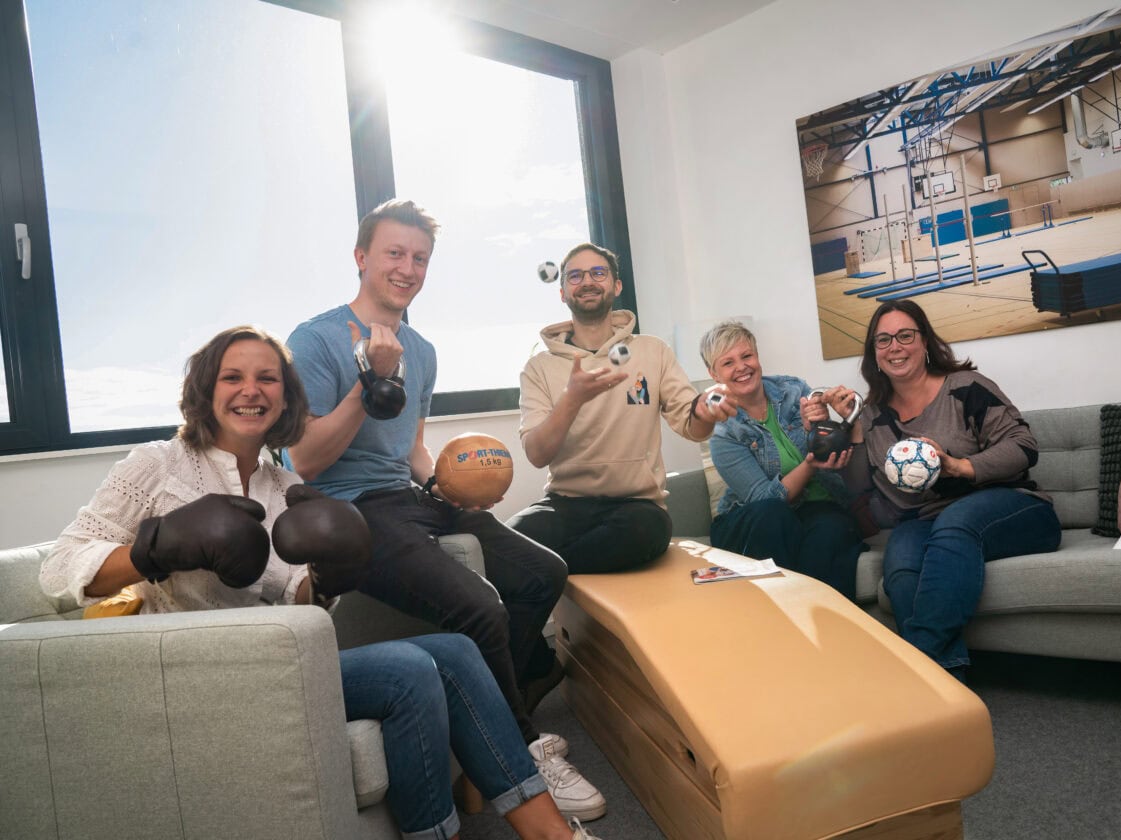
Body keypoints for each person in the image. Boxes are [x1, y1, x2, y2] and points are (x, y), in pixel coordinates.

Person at [38, 325, 601, 840]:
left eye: (267, 378)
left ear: (285, 396)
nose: (250, 390)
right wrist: (153, 549)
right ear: (206, 389)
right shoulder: (158, 465)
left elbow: (298, 603)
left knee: (453, 651)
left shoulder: (283, 487)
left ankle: (554, 834)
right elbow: (58, 570)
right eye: (232, 377)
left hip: (273, 663)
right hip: (185, 671)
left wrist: (330, 576)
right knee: (408, 672)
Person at [283, 200, 604, 821]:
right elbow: (306, 460)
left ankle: (496, 710)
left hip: (410, 497)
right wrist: (369, 381)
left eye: (419, 258)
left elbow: (411, 447)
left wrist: (452, 491)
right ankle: (523, 748)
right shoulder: (315, 338)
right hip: (352, 510)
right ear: (361, 258)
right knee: (479, 605)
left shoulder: (423, 349)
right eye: (394, 254)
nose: (407, 268)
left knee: (544, 572)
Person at [833, 300, 1061, 682]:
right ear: (874, 353)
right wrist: (853, 428)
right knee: (902, 559)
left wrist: (959, 466)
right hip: (925, 520)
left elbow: (1025, 446)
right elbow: (857, 485)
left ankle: (913, 671)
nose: (895, 347)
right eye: (883, 340)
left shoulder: (966, 388)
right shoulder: (871, 414)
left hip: (1015, 508)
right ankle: (946, 679)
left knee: (957, 520)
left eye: (905, 336)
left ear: (925, 342)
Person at [505, 242, 735, 574]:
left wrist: (705, 410)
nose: (587, 281)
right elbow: (537, 453)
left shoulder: (652, 351)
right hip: (564, 505)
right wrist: (572, 398)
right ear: (562, 292)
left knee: (641, 534)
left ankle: (551, 568)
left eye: (598, 272)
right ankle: (538, 599)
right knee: (509, 542)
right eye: (575, 275)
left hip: (637, 508)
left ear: (616, 286)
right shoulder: (539, 367)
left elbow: (691, 424)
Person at [698, 320, 865, 599]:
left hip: (812, 509)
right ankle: (776, 621)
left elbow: (825, 444)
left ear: (757, 357)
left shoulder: (793, 390)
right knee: (773, 515)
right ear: (713, 373)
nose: (742, 367)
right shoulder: (723, 433)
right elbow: (765, 497)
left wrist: (818, 430)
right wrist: (811, 462)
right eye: (728, 363)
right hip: (753, 518)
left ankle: (828, 628)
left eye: (747, 356)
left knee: (832, 529)